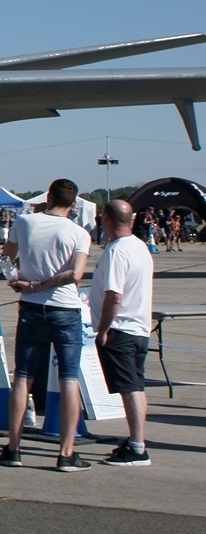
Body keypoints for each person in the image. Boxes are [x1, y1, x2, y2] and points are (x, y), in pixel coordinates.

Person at [0, 178, 93, 472]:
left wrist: (19, 282)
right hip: (64, 308)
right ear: (73, 204)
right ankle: (66, 451)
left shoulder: (25, 223)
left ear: (48, 197)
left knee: (23, 376)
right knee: (69, 378)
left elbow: (5, 258)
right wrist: (42, 285)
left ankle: (14, 447)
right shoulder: (79, 233)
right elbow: (75, 275)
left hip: (32, 308)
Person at [89, 199, 155, 466]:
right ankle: (135, 440)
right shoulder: (140, 247)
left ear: (107, 219)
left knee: (129, 388)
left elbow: (114, 295)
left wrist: (103, 329)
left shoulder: (117, 251)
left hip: (122, 328)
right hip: (138, 326)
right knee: (136, 385)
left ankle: (138, 446)